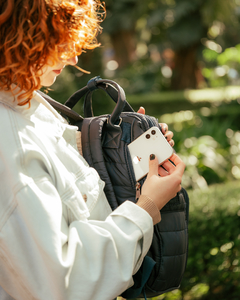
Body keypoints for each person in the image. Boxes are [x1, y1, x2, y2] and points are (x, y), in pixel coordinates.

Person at [0, 1, 185, 300]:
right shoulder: (10, 142)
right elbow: (65, 283)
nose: (73, 57)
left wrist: (120, 153)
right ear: (18, 35)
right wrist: (148, 205)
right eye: (58, 40)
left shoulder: (24, 104)